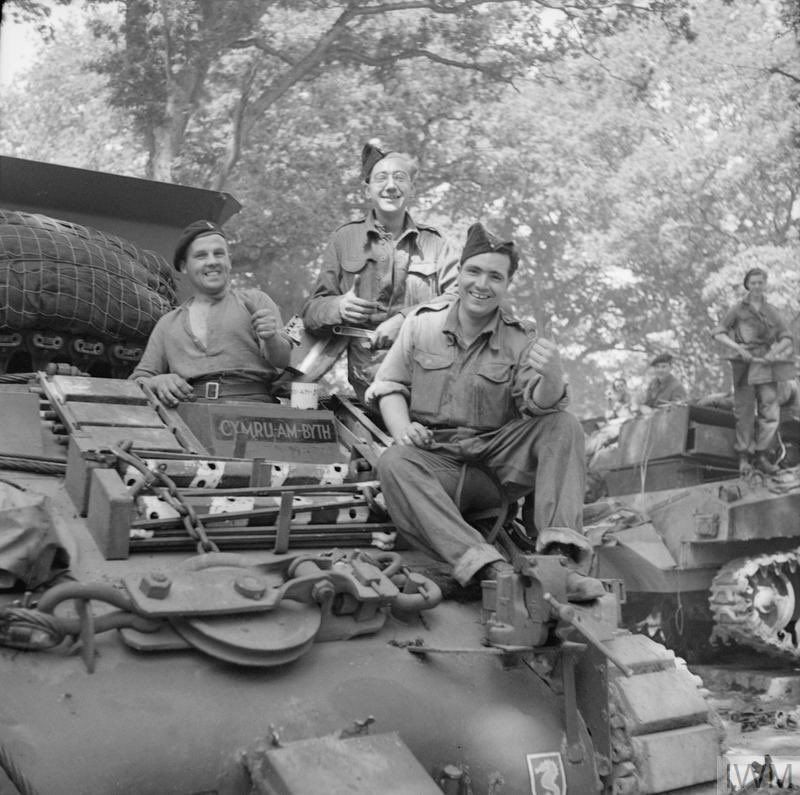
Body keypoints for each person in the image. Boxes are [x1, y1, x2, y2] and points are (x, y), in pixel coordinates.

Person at [366, 222, 603, 601]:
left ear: (507, 284)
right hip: (437, 462)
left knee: (564, 425)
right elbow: (389, 386)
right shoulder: (421, 323)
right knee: (393, 461)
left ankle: (559, 564)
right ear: (459, 273)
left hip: (496, 468)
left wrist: (553, 375)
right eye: (474, 271)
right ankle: (485, 567)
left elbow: (540, 406)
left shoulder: (520, 337)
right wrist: (404, 429)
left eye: (495, 276)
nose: (482, 284)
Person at [301, 142, 459, 401]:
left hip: (430, 377)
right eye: (381, 178)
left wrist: (406, 319)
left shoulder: (438, 243)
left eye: (400, 178)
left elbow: (459, 300)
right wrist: (339, 307)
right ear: (368, 190)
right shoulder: (344, 239)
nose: (391, 186)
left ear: (412, 189)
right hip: (369, 379)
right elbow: (311, 312)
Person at [131, 220, 291, 405]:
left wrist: (271, 337)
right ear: (184, 266)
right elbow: (138, 379)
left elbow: (282, 360)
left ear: (229, 261)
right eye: (201, 256)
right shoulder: (168, 323)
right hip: (189, 414)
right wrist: (156, 381)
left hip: (253, 411)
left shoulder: (256, 301)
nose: (212, 261)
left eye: (219, 254)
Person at [712, 267, 794, 475]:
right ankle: (744, 458)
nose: (757, 286)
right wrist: (739, 348)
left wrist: (774, 353)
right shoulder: (738, 309)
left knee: (770, 411)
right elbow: (719, 333)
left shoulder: (772, 311)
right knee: (745, 412)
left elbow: (786, 337)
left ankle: (763, 455)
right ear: (747, 285)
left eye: (760, 282)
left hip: (766, 365)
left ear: (765, 284)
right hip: (745, 364)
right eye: (753, 282)